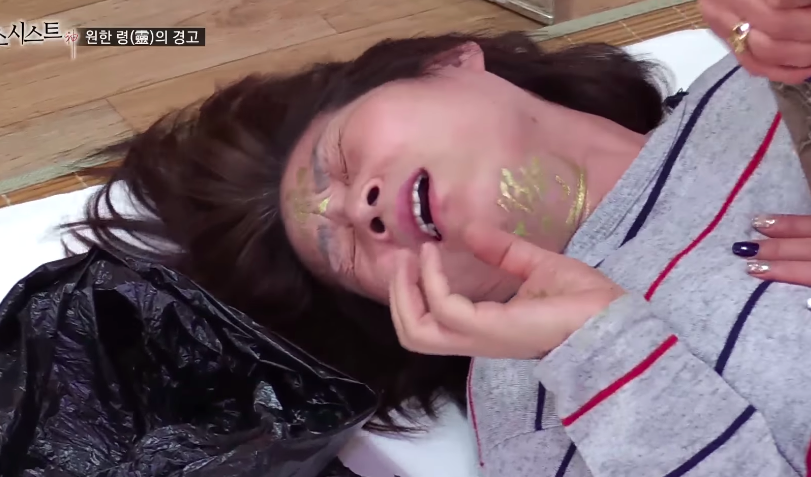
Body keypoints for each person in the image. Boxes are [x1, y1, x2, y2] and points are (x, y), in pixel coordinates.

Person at [64, 30, 811, 476]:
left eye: (340, 159)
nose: (357, 208)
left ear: (452, 61)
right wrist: (600, 348)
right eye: (342, 249)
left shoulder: (761, 78)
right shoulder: (535, 397)